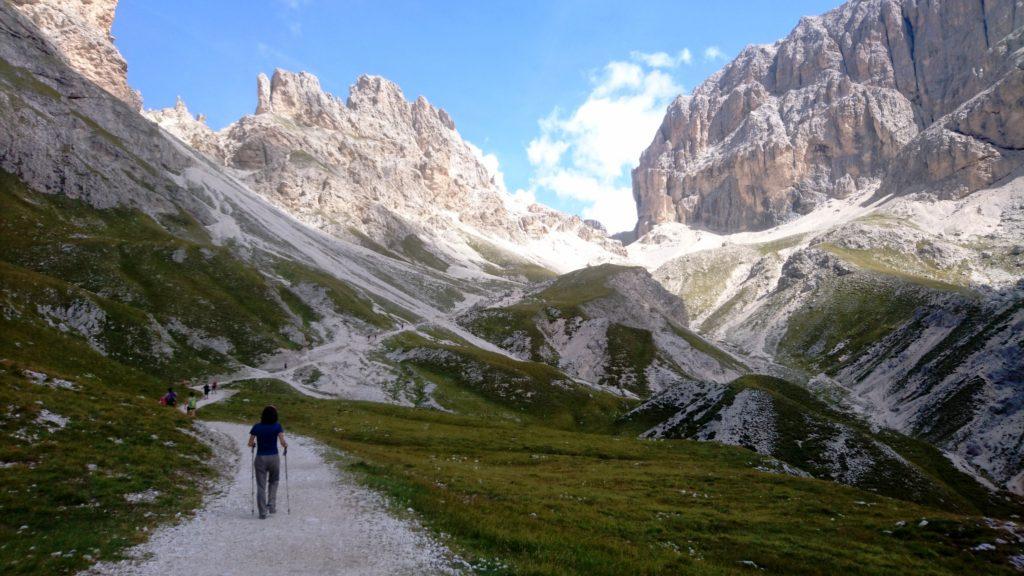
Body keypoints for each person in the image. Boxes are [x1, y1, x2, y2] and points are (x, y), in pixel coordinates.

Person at [248, 406, 288, 519]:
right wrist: (285, 445)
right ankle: (272, 505)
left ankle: (262, 512)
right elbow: (282, 441)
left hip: (260, 457)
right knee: (274, 481)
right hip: (274, 457)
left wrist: (254, 444)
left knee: (261, 485)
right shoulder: (277, 426)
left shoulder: (256, 427)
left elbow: (250, 443)